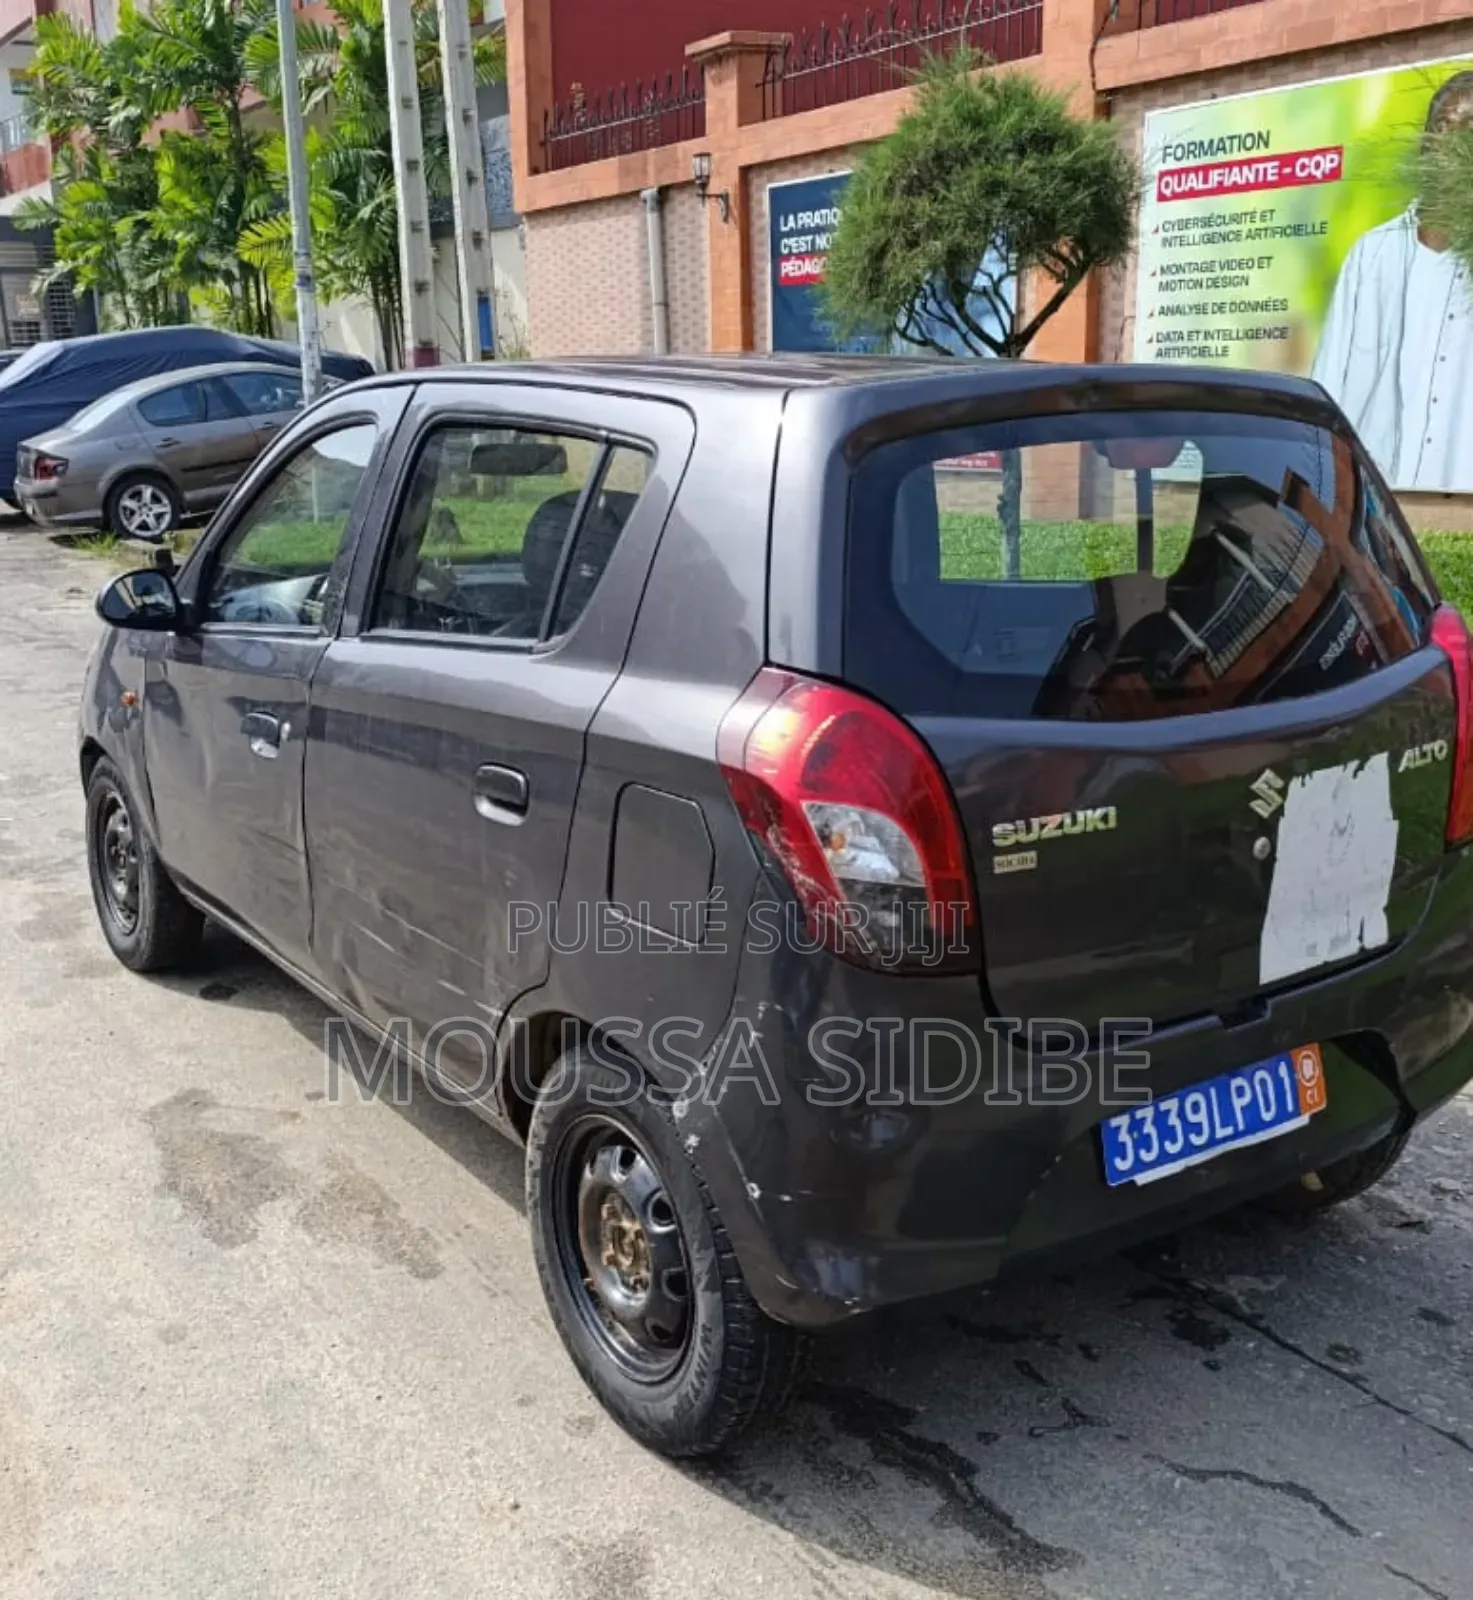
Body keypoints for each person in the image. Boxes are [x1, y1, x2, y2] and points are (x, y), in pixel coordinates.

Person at [1311, 72, 1473, 492]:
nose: (1450, 148)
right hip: (1376, 509)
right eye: (1442, 129)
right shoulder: (1373, 254)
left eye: (1468, 134)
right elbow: (1329, 386)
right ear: (1424, 143)